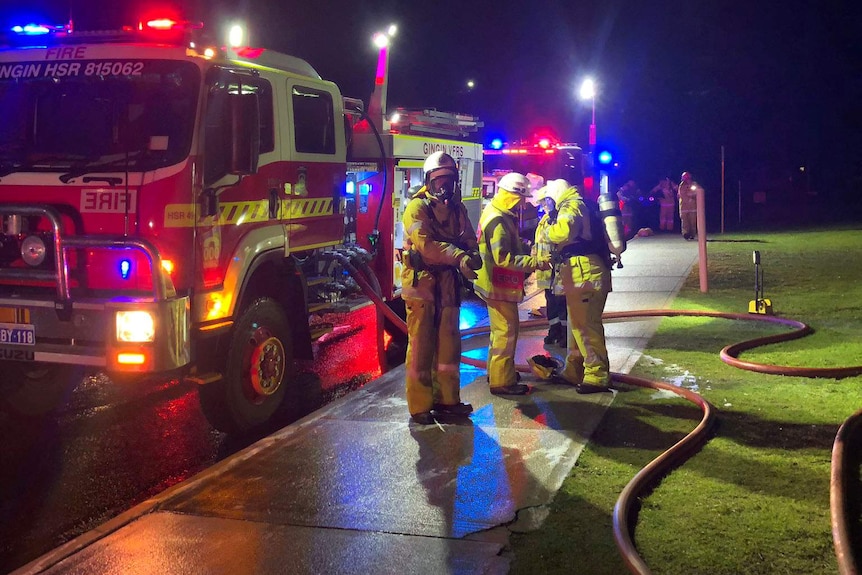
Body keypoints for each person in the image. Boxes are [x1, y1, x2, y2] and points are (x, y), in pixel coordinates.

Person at [401, 151, 482, 425]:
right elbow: (426, 247)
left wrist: (473, 254)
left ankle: (448, 401)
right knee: (421, 348)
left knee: (449, 348)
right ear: (428, 182)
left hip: (447, 287)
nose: (444, 187)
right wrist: (459, 257)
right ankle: (420, 406)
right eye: (438, 181)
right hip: (421, 286)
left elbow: (469, 238)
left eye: (448, 180)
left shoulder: (457, 211)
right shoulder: (416, 208)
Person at [474, 172, 550, 395]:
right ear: (512, 195)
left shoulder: (496, 212)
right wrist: (534, 262)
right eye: (521, 198)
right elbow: (503, 258)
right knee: (506, 332)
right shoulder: (498, 219)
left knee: (499, 332)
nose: (523, 203)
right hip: (497, 284)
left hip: (491, 283)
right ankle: (501, 382)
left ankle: (498, 372)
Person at [546, 180, 612, 393]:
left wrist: (547, 229)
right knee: (576, 326)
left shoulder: (571, 205)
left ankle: (596, 375)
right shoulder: (580, 203)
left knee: (585, 326)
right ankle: (574, 370)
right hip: (582, 271)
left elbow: (563, 232)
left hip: (584, 273)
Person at [532, 179, 568, 346]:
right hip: (547, 271)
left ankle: (566, 334)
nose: (543, 206)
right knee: (551, 302)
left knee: (562, 303)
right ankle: (554, 330)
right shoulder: (545, 220)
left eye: (545, 202)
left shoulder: (560, 219)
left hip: (559, 270)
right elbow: (538, 244)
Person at [678, 171, 702, 240]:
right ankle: (686, 234)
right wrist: (689, 198)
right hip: (684, 207)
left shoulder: (694, 184)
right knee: (685, 222)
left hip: (693, 207)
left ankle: (692, 234)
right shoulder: (681, 185)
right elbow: (682, 195)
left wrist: (692, 196)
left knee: (693, 222)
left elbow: (699, 191)